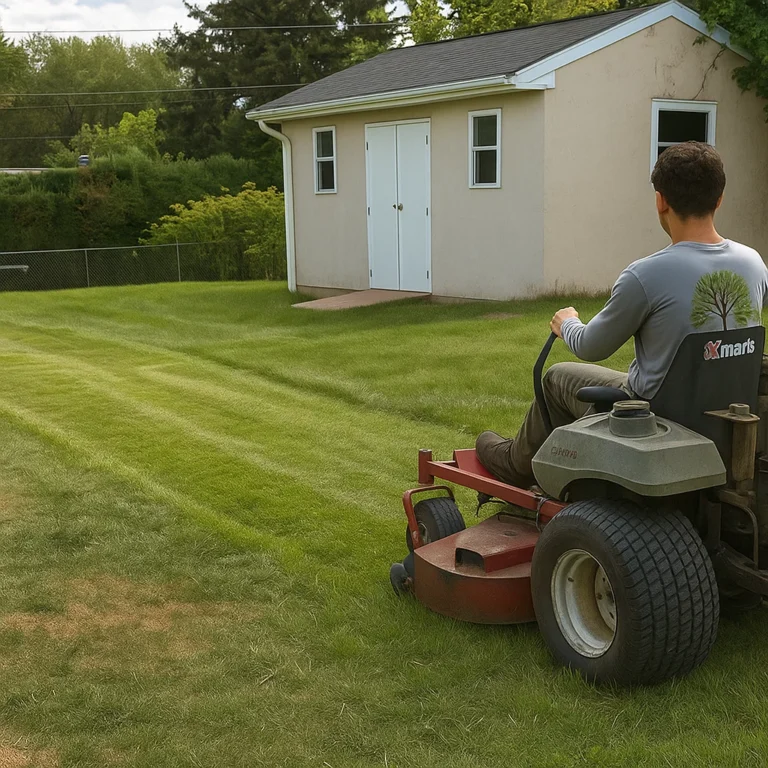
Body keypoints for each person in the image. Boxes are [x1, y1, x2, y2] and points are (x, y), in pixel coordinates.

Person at [476, 141, 768, 488]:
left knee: (556, 377)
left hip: (654, 414)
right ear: (719, 199)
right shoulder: (753, 264)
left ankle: (516, 464)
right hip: (728, 410)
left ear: (660, 200)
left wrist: (566, 322)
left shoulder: (646, 275)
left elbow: (590, 346)